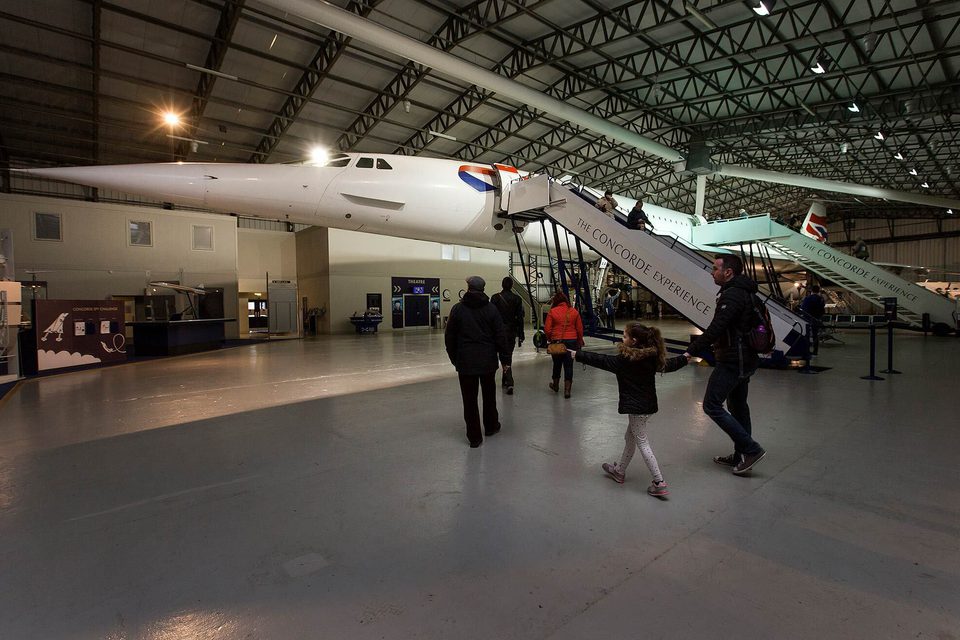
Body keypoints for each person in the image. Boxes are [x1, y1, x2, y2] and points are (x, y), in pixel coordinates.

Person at [570, 322, 687, 497]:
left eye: (624, 336)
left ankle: (658, 482)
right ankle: (619, 471)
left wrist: (577, 355)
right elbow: (668, 366)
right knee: (629, 437)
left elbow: (601, 360)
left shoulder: (624, 361)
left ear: (633, 341)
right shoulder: (651, 357)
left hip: (637, 408)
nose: (621, 338)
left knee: (642, 441)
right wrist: (684, 358)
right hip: (648, 407)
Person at [683, 254, 766, 475]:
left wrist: (691, 350)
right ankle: (741, 455)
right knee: (738, 407)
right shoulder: (748, 293)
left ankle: (751, 449)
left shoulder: (733, 295)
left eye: (714, 269)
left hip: (733, 360)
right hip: (746, 359)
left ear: (728, 272)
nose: (712, 272)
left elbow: (716, 327)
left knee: (711, 405)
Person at [445, 276, 509, 448]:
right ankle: (491, 426)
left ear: (468, 288)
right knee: (489, 396)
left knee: (469, 400)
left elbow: (449, 337)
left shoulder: (457, 309)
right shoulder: (491, 309)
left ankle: (474, 437)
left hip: (466, 362)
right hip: (488, 361)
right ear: (483, 289)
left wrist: (455, 359)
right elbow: (500, 336)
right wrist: (505, 360)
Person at [544, 291, 584, 399]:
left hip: (557, 341)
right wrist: (579, 341)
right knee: (568, 365)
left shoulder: (552, 312)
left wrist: (549, 339)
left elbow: (547, 329)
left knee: (556, 364)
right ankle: (567, 391)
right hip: (571, 342)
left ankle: (556, 385)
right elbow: (580, 329)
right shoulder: (574, 312)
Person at [490, 276, 526, 395]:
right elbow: (520, 318)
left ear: (502, 285)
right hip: (511, 331)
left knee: (502, 355)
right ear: (512, 286)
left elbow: (490, 317)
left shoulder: (495, 298)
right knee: (507, 355)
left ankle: (508, 381)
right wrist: (521, 333)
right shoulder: (517, 299)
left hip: (497, 331)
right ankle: (507, 380)